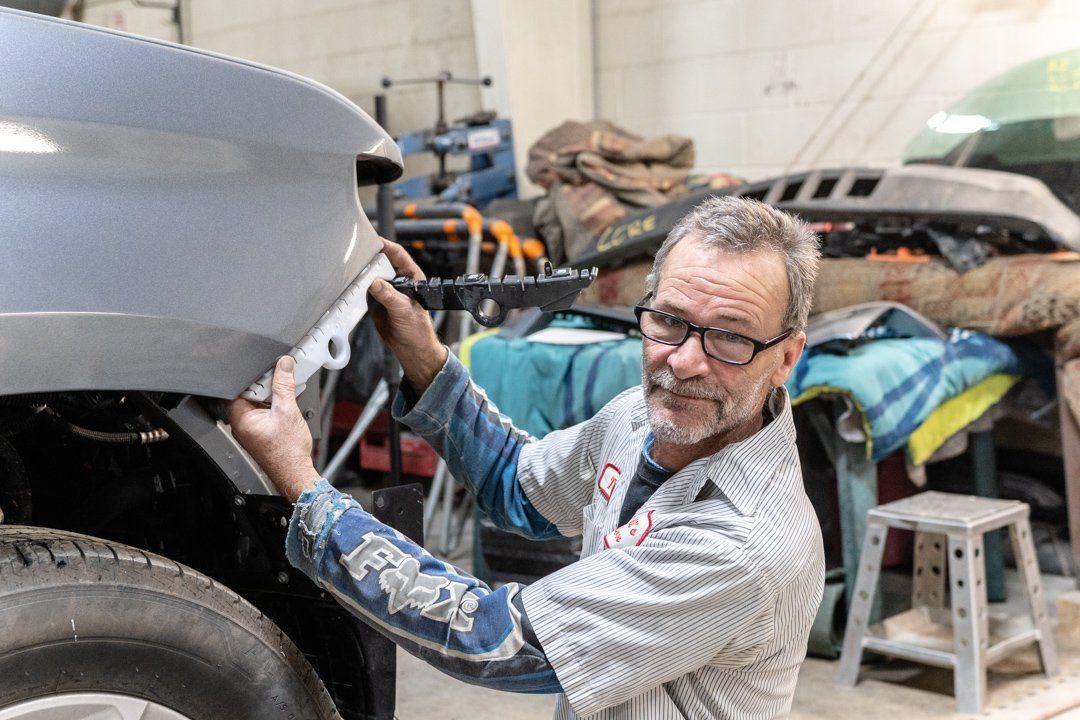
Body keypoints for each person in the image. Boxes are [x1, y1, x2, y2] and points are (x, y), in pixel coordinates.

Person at [228, 195, 825, 719]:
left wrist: (307, 490)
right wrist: (424, 355)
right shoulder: (639, 417)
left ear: (786, 357)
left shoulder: (744, 543)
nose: (685, 361)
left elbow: (495, 640)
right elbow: (519, 487)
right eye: (670, 320)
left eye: (731, 336)